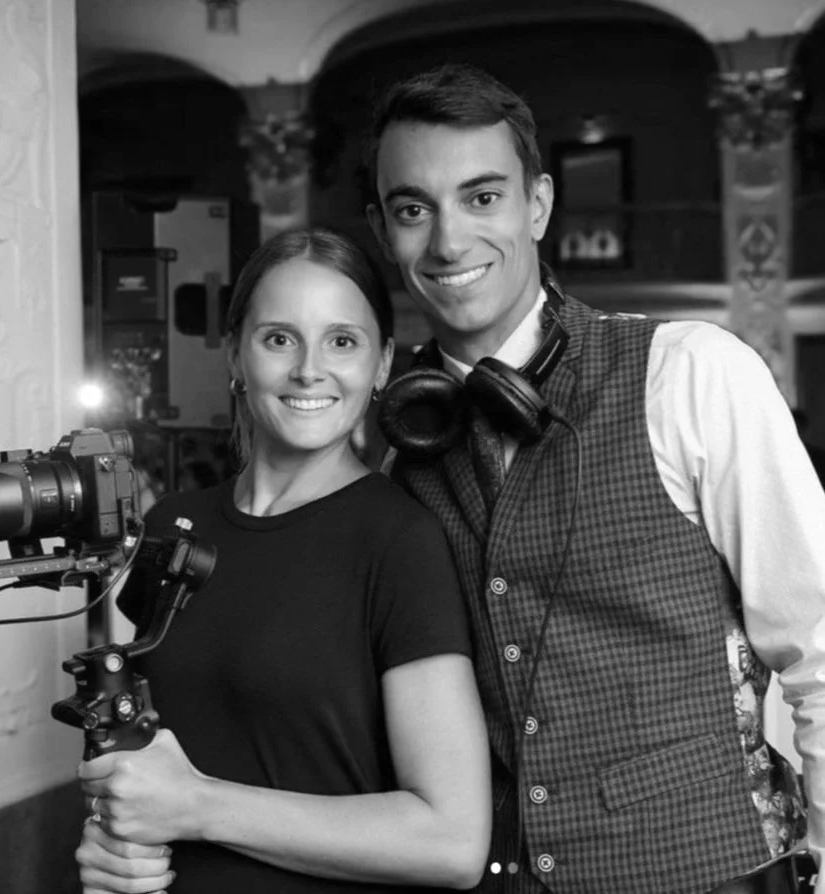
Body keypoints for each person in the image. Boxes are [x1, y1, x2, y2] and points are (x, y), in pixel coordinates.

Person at [363, 62, 825, 894]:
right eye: (412, 209)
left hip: (716, 872)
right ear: (383, 229)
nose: (448, 242)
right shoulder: (403, 443)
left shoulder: (690, 373)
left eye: (482, 197)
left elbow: (821, 649)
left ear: (537, 204)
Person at [74, 226, 492, 894]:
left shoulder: (399, 541)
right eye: (278, 338)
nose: (308, 369)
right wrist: (112, 846)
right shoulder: (174, 523)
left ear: (383, 364)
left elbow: (453, 841)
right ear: (235, 354)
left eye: (343, 341)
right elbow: (152, 765)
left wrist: (201, 807)